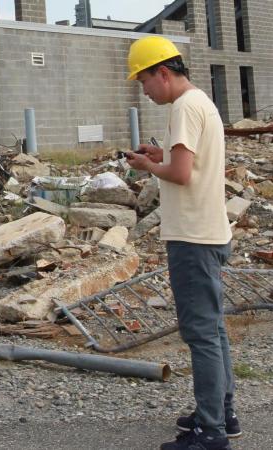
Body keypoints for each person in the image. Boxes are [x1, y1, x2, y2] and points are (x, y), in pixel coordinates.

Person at [125, 36, 235, 450]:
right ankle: (223, 413)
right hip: (210, 231)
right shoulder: (201, 102)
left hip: (193, 237)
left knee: (202, 334)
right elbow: (192, 163)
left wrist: (148, 165)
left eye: (144, 81)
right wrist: (160, 154)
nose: (144, 89)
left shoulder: (183, 108)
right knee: (215, 330)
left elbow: (183, 174)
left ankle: (211, 432)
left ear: (164, 73)